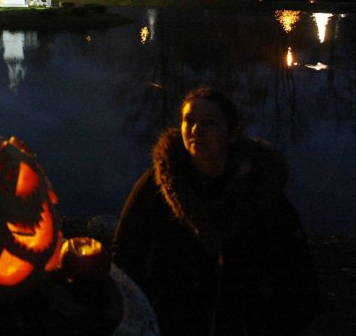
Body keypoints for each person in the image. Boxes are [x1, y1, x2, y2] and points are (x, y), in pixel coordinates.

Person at [111, 87, 318, 336]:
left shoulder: (260, 187)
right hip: (173, 321)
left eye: (209, 123)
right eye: (189, 121)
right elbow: (126, 251)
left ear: (231, 134)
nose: (196, 132)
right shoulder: (157, 185)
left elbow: (296, 269)